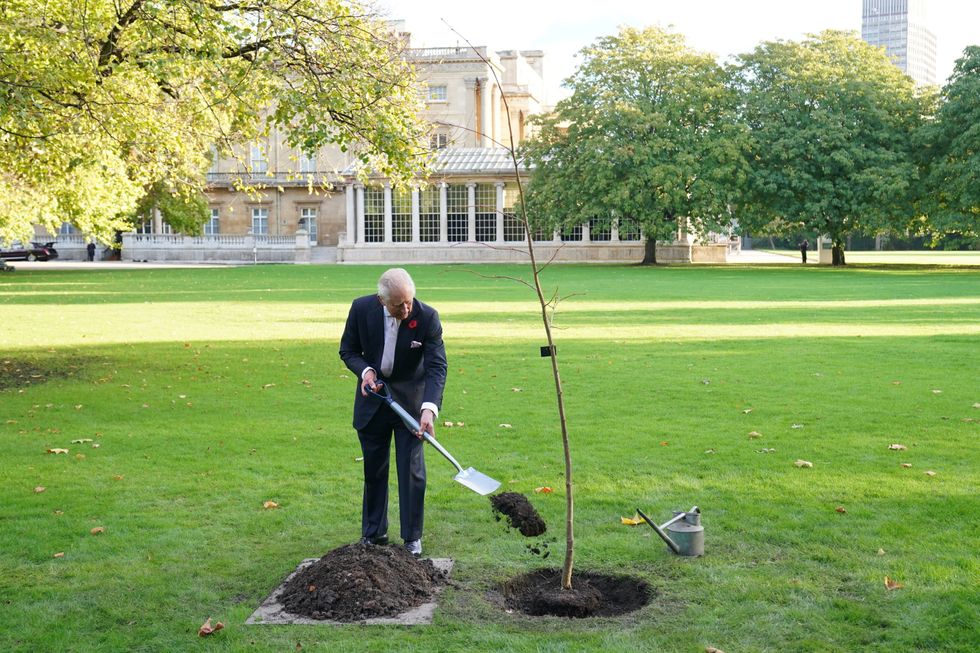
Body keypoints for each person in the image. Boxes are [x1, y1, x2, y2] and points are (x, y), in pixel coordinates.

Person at [339, 268, 447, 557]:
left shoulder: (427, 317)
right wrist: (366, 371)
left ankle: (412, 537)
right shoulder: (361, 309)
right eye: (399, 304)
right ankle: (374, 533)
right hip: (373, 400)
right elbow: (348, 350)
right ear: (381, 300)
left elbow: (437, 367)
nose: (406, 308)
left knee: (411, 470)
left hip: (411, 406)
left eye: (409, 301)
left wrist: (429, 409)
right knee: (374, 470)